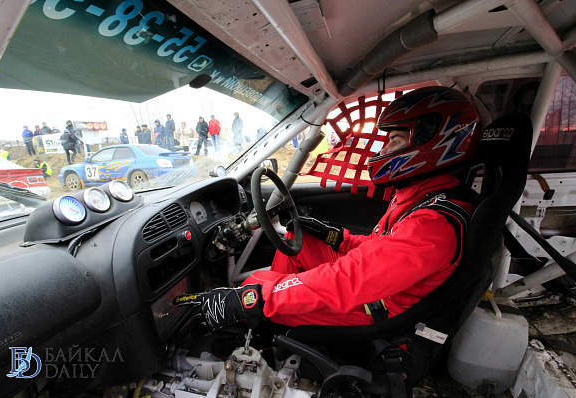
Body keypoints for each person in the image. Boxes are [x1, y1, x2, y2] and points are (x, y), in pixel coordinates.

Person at [174, 86, 482, 330]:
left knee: (258, 287)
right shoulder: (422, 196)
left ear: (434, 144)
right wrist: (336, 237)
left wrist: (256, 298)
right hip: (378, 287)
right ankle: (276, 324)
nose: (384, 150)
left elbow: (350, 279)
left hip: (380, 311)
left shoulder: (432, 226)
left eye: (396, 141)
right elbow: (378, 250)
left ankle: (261, 324)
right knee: (300, 240)